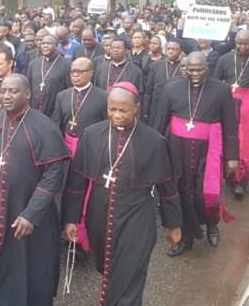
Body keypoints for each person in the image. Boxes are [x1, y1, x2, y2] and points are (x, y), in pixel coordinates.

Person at [62, 82, 182, 306]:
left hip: (137, 217)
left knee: (130, 274)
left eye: (123, 110)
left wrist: (174, 225)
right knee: (108, 271)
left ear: (136, 108)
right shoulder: (91, 134)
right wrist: (71, 219)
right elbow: (77, 181)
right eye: (112, 109)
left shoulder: (154, 141)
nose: (116, 115)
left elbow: (167, 187)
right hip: (99, 215)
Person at [0, 74, 70, 306]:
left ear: (27, 94)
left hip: (26, 210)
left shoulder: (45, 127)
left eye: (13, 91)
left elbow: (53, 175)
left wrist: (31, 214)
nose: (6, 96)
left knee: (27, 266)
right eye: (3, 91)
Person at [153, 52, 238, 255]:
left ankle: (212, 223)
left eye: (199, 69)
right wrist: (154, 153)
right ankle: (186, 238)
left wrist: (232, 157)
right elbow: (160, 121)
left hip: (207, 151)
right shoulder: (172, 88)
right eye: (190, 70)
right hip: (177, 151)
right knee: (181, 193)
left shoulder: (222, 90)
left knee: (205, 194)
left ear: (207, 68)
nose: (195, 73)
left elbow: (230, 126)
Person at [213, 30, 249, 197]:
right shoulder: (224, 59)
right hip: (228, 104)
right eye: (239, 43)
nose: (241, 47)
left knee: (247, 143)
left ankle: (242, 181)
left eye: (245, 44)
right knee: (228, 139)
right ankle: (229, 177)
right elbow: (215, 84)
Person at [51, 58, 108, 159]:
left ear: (91, 73)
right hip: (66, 145)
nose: (75, 75)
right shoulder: (62, 95)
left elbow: (105, 126)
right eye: (72, 71)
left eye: (80, 71)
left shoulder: (103, 97)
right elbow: (56, 122)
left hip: (90, 147)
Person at [26, 35, 71, 117]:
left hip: (54, 111)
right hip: (34, 110)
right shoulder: (33, 64)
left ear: (56, 46)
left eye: (49, 43)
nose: (45, 46)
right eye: (43, 43)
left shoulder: (66, 65)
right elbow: (28, 87)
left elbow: (68, 90)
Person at [143, 41, 182, 125]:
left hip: (175, 107)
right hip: (157, 107)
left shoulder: (184, 67)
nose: (170, 51)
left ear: (180, 51)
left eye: (174, 49)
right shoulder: (156, 66)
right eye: (168, 49)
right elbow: (148, 91)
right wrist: (146, 110)